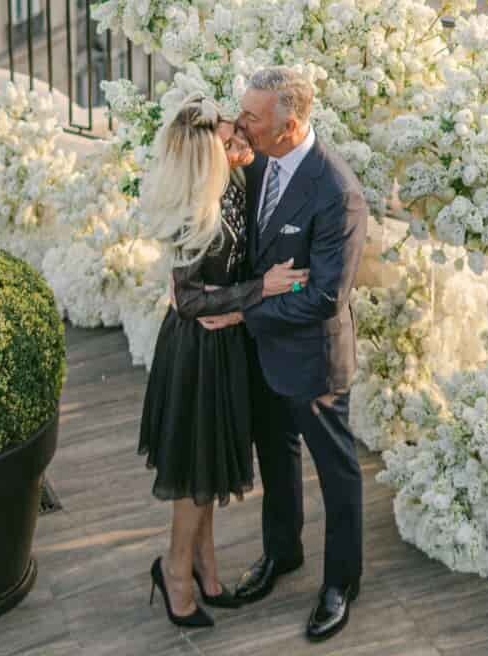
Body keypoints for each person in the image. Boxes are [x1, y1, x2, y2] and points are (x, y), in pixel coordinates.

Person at [202, 67, 368, 643]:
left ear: (290, 125)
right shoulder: (262, 159)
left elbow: (323, 295)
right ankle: (283, 554)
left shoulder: (336, 192)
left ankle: (341, 583)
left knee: (336, 470)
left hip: (312, 359)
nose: (241, 122)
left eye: (252, 116)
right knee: (276, 457)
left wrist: (244, 312)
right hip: (265, 354)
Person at [137, 97, 309, 631]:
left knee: (207, 466)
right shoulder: (194, 208)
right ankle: (175, 572)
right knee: (192, 476)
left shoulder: (232, 185)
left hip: (225, 346)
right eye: (230, 144)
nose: (241, 149)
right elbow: (188, 301)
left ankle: (205, 566)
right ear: (206, 159)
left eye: (239, 137)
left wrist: (236, 306)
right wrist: (260, 290)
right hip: (196, 355)